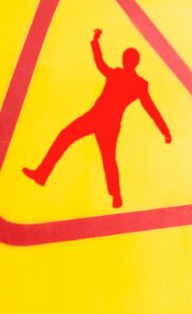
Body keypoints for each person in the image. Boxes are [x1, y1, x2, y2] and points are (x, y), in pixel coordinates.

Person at [23, 29, 172, 209]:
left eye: (126, 58)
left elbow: (101, 64)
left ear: (129, 61)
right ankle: (43, 174)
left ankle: (115, 194)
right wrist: (165, 131)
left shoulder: (124, 77)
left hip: (101, 118)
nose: (124, 60)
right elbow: (151, 109)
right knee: (80, 145)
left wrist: (95, 41)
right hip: (102, 119)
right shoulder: (137, 83)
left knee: (99, 154)